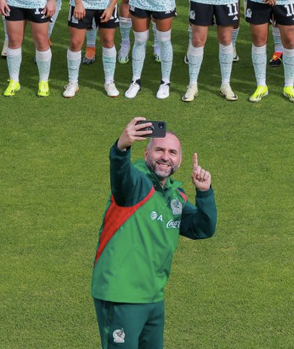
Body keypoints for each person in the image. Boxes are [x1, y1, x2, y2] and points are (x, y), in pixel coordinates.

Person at [92, 117, 216, 349]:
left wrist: (205, 193)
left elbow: (203, 228)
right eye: (159, 149)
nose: (165, 157)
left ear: (179, 159)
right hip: (121, 295)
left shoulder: (175, 197)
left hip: (153, 298)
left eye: (172, 152)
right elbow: (120, 174)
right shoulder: (135, 184)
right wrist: (122, 147)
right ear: (147, 153)